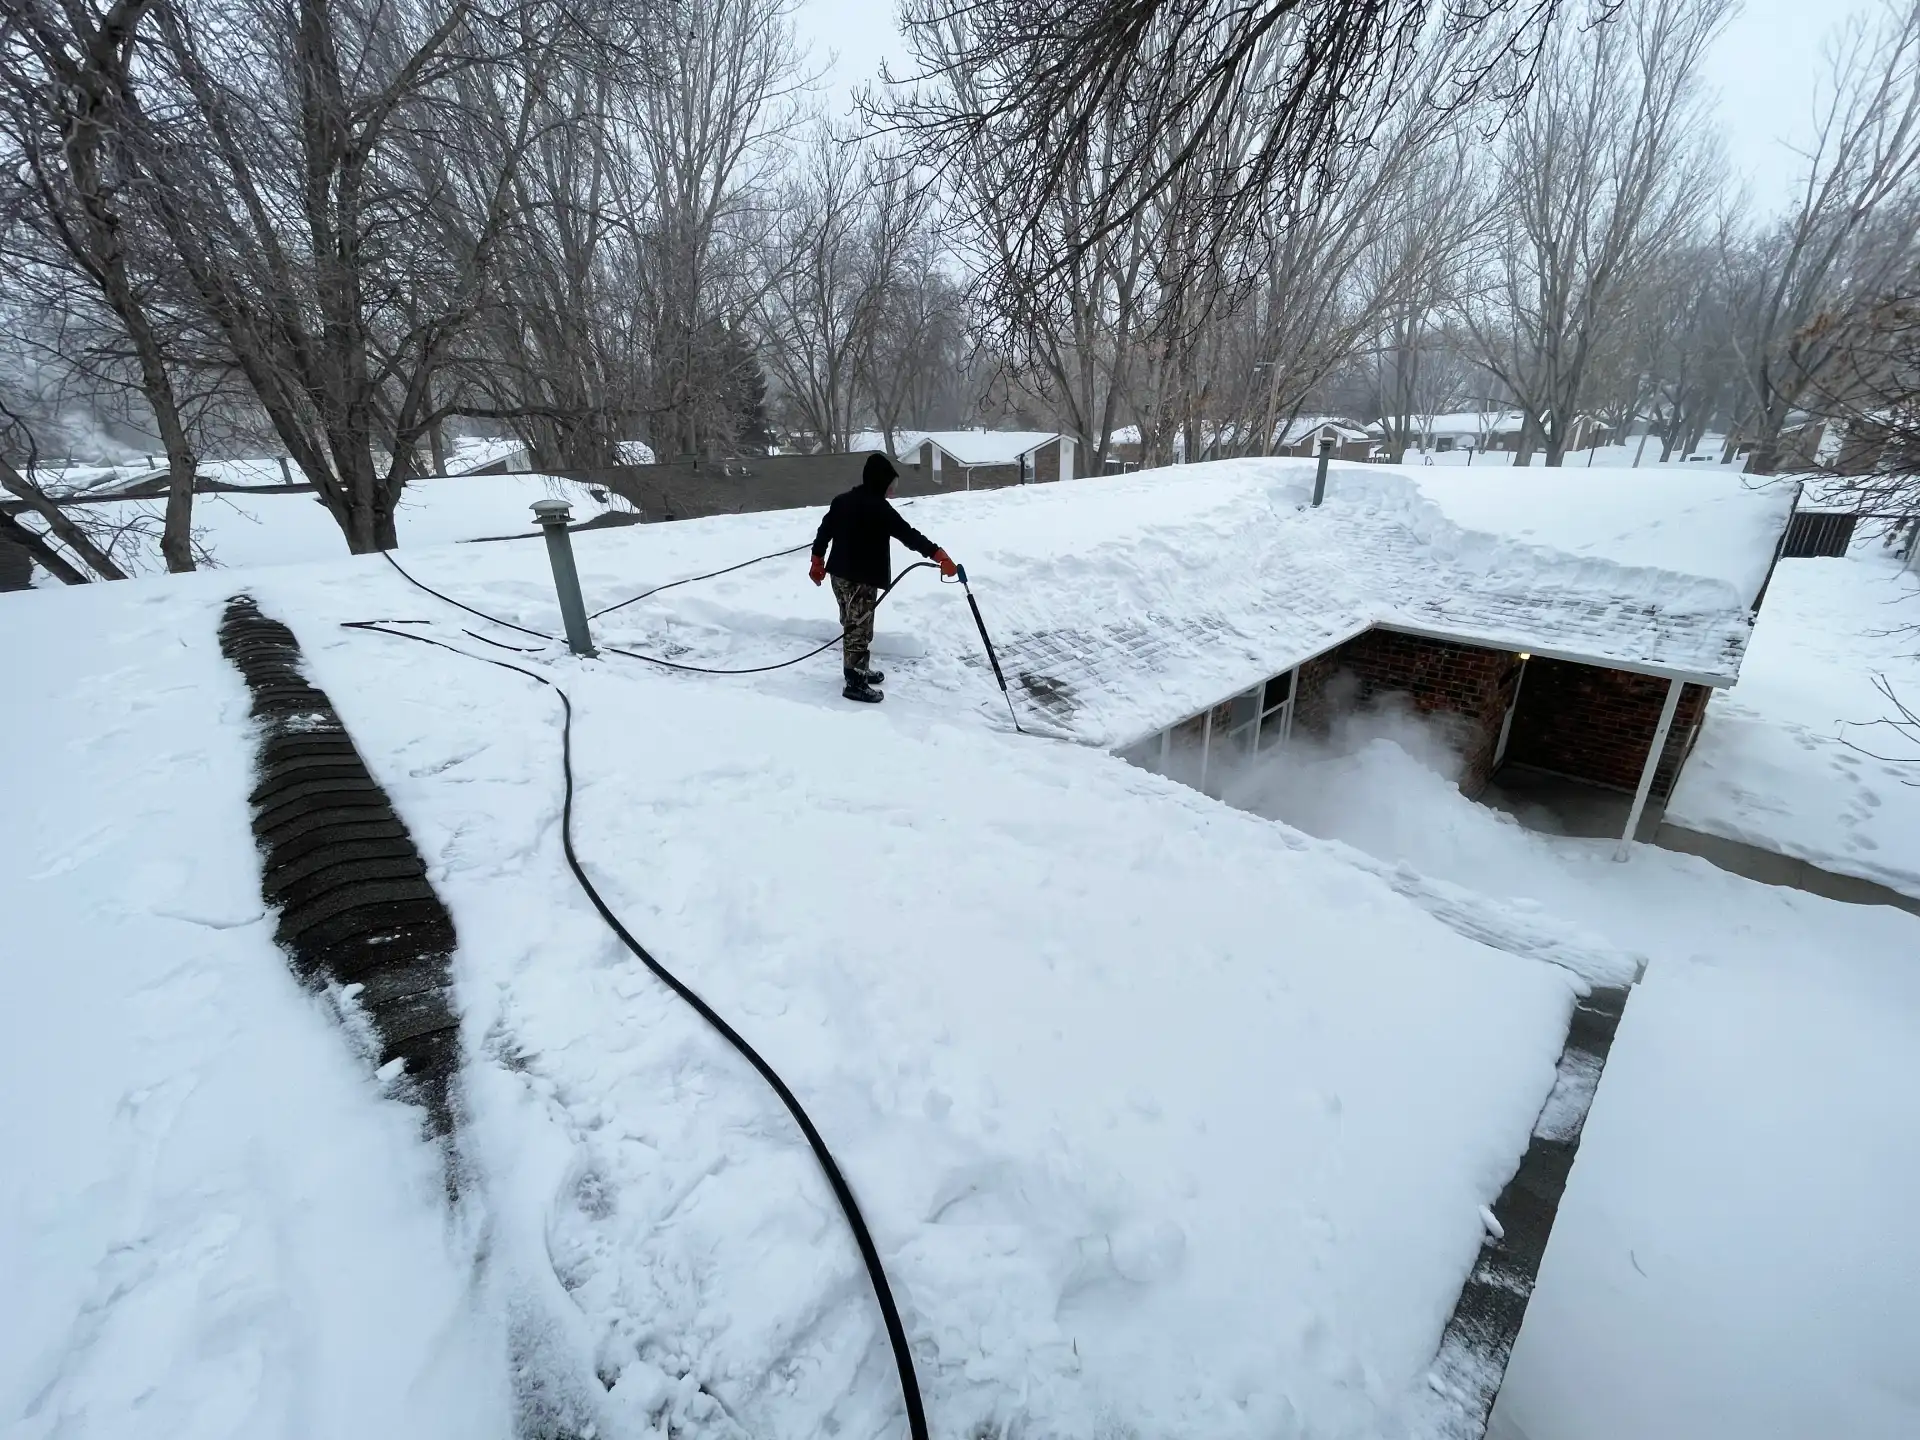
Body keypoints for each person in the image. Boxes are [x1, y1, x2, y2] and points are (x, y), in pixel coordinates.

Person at [809, 453, 958, 703]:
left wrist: (817, 560)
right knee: (859, 628)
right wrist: (939, 555)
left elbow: (825, 531)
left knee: (852, 623)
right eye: (891, 484)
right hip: (861, 578)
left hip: (838, 576)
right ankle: (854, 682)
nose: (893, 490)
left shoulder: (842, 501)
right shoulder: (879, 509)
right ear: (880, 481)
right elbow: (908, 535)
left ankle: (859, 668)